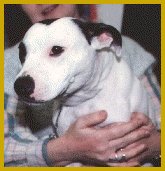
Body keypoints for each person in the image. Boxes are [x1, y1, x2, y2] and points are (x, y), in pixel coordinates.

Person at [4, 4, 160, 167]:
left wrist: (151, 145)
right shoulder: (8, 64)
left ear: (104, 39)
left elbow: (159, 119)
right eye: (25, 54)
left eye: (56, 50)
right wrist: (65, 149)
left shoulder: (128, 49)